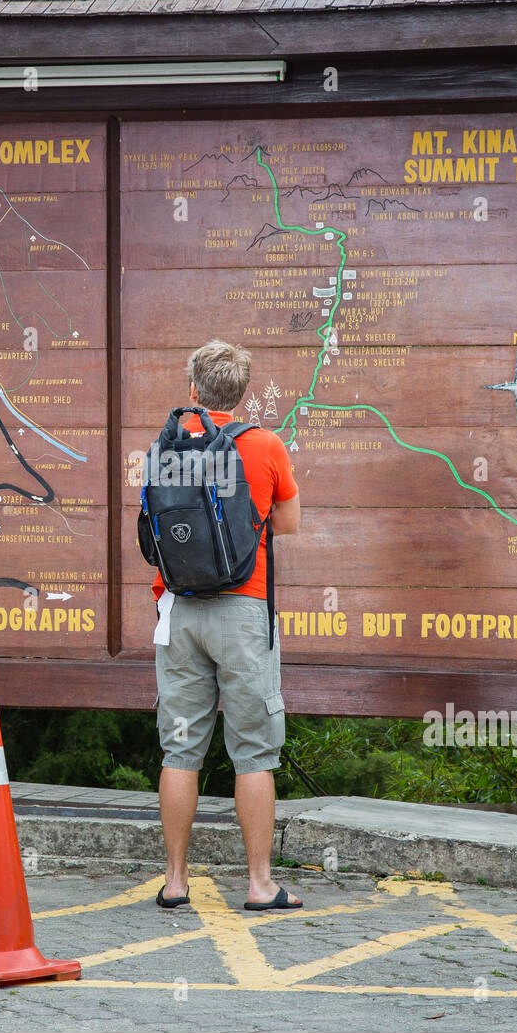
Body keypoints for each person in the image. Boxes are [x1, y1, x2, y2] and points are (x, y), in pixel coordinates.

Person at [151, 340, 302, 911]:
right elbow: (288, 523)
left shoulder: (167, 444)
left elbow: (155, 524)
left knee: (179, 749)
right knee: (254, 753)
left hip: (178, 609)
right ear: (241, 394)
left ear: (193, 390)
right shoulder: (264, 444)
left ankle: (175, 881)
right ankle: (260, 885)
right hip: (243, 611)